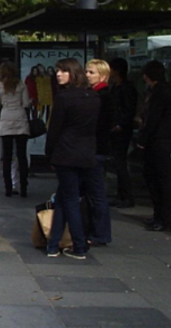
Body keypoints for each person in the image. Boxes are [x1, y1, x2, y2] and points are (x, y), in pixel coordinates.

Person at [45, 58, 100, 260]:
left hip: (65, 152)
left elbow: (55, 128)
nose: (58, 74)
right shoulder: (93, 97)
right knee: (64, 197)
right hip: (86, 153)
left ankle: (78, 245)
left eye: (63, 71)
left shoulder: (64, 98)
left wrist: (49, 153)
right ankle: (53, 244)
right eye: (58, 70)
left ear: (72, 73)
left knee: (69, 199)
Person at [136, 60, 171, 232]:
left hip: (158, 140)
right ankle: (161, 216)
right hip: (160, 140)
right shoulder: (161, 91)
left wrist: (143, 138)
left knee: (158, 180)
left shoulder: (159, 93)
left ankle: (162, 217)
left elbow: (154, 118)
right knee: (159, 179)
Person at [84, 59, 113, 246]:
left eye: (91, 72)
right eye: (87, 71)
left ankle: (100, 233)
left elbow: (99, 125)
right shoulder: (96, 94)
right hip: (94, 149)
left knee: (96, 193)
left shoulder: (102, 96)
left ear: (102, 76)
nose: (87, 75)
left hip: (95, 149)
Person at [0, 62, 30, 197]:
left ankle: (8, 187)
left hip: (6, 119)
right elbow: (26, 103)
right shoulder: (21, 85)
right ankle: (23, 186)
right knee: (21, 155)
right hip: (20, 119)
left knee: (6, 156)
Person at [108, 57, 138, 208]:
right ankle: (121, 194)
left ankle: (127, 195)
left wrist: (121, 124)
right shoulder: (115, 86)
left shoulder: (126, 88)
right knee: (117, 162)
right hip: (115, 128)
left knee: (120, 162)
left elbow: (129, 109)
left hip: (122, 129)